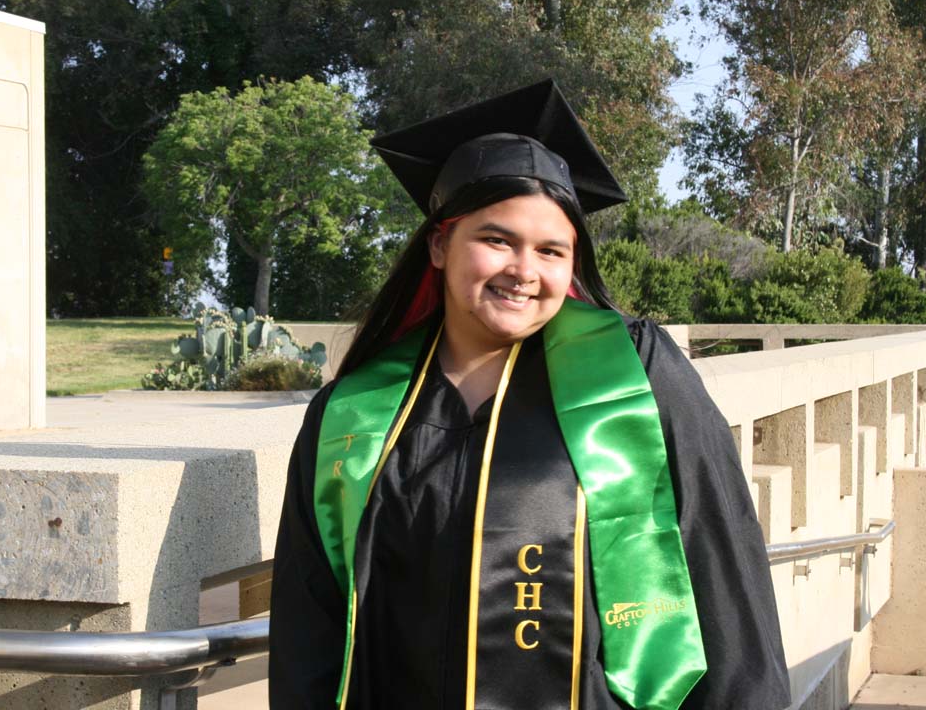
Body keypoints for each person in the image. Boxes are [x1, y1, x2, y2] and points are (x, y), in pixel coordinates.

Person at [269, 80, 791, 710]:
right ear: (440, 244)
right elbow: (309, 629)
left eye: (551, 250)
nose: (524, 271)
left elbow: (720, 567)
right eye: (497, 240)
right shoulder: (352, 415)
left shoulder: (631, 377)